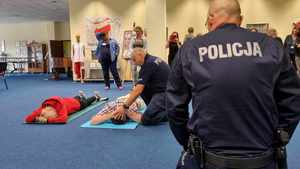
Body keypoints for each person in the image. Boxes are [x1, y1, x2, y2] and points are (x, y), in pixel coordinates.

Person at [166, 0, 300, 169]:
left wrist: (188, 142)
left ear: (211, 18)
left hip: (208, 159)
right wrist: (279, 136)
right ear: (240, 19)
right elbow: (293, 100)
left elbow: (174, 106)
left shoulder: (190, 49)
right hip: (262, 158)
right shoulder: (271, 46)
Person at [113, 47, 171, 125]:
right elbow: (138, 88)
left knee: (146, 119)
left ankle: (172, 114)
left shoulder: (148, 64)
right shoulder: (152, 59)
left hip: (165, 93)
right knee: (141, 87)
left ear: (140, 55)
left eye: (134, 59)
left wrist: (124, 107)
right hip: (167, 91)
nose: (134, 63)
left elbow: (138, 90)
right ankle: (158, 110)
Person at [25, 91, 107, 124]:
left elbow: (63, 119)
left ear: (51, 110)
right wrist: (38, 114)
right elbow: (27, 119)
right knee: (76, 98)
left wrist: (47, 120)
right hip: (70, 100)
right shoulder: (45, 107)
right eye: (44, 115)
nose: (56, 115)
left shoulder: (61, 107)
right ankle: (81, 96)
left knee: (86, 103)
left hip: (78, 105)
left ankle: (96, 97)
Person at [95, 25, 123, 90]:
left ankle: (119, 85)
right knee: (105, 73)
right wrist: (99, 58)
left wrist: (116, 55)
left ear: (107, 35)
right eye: (102, 36)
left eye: (104, 36)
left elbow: (117, 48)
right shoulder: (100, 42)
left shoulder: (113, 41)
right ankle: (107, 85)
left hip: (112, 59)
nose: (103, 38)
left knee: (114, 72)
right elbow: (97, 51)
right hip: (103, 60)